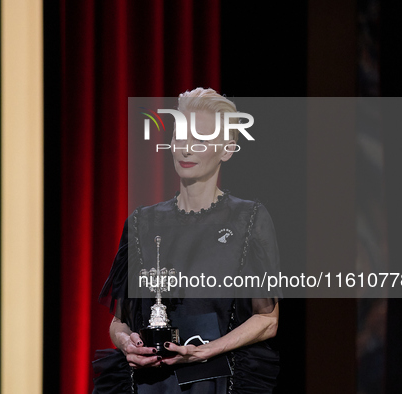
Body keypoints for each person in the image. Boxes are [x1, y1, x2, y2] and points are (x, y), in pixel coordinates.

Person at [93, 88, 280, 393]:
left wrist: (207, 350)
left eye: (201, 139)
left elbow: (268, 319)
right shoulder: (142, 223)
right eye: (180, 137)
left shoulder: (248, 219)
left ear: (228, 148)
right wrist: (128, 344)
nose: (186, 149)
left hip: (217, 382)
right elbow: (119, 322)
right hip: (150, 384)